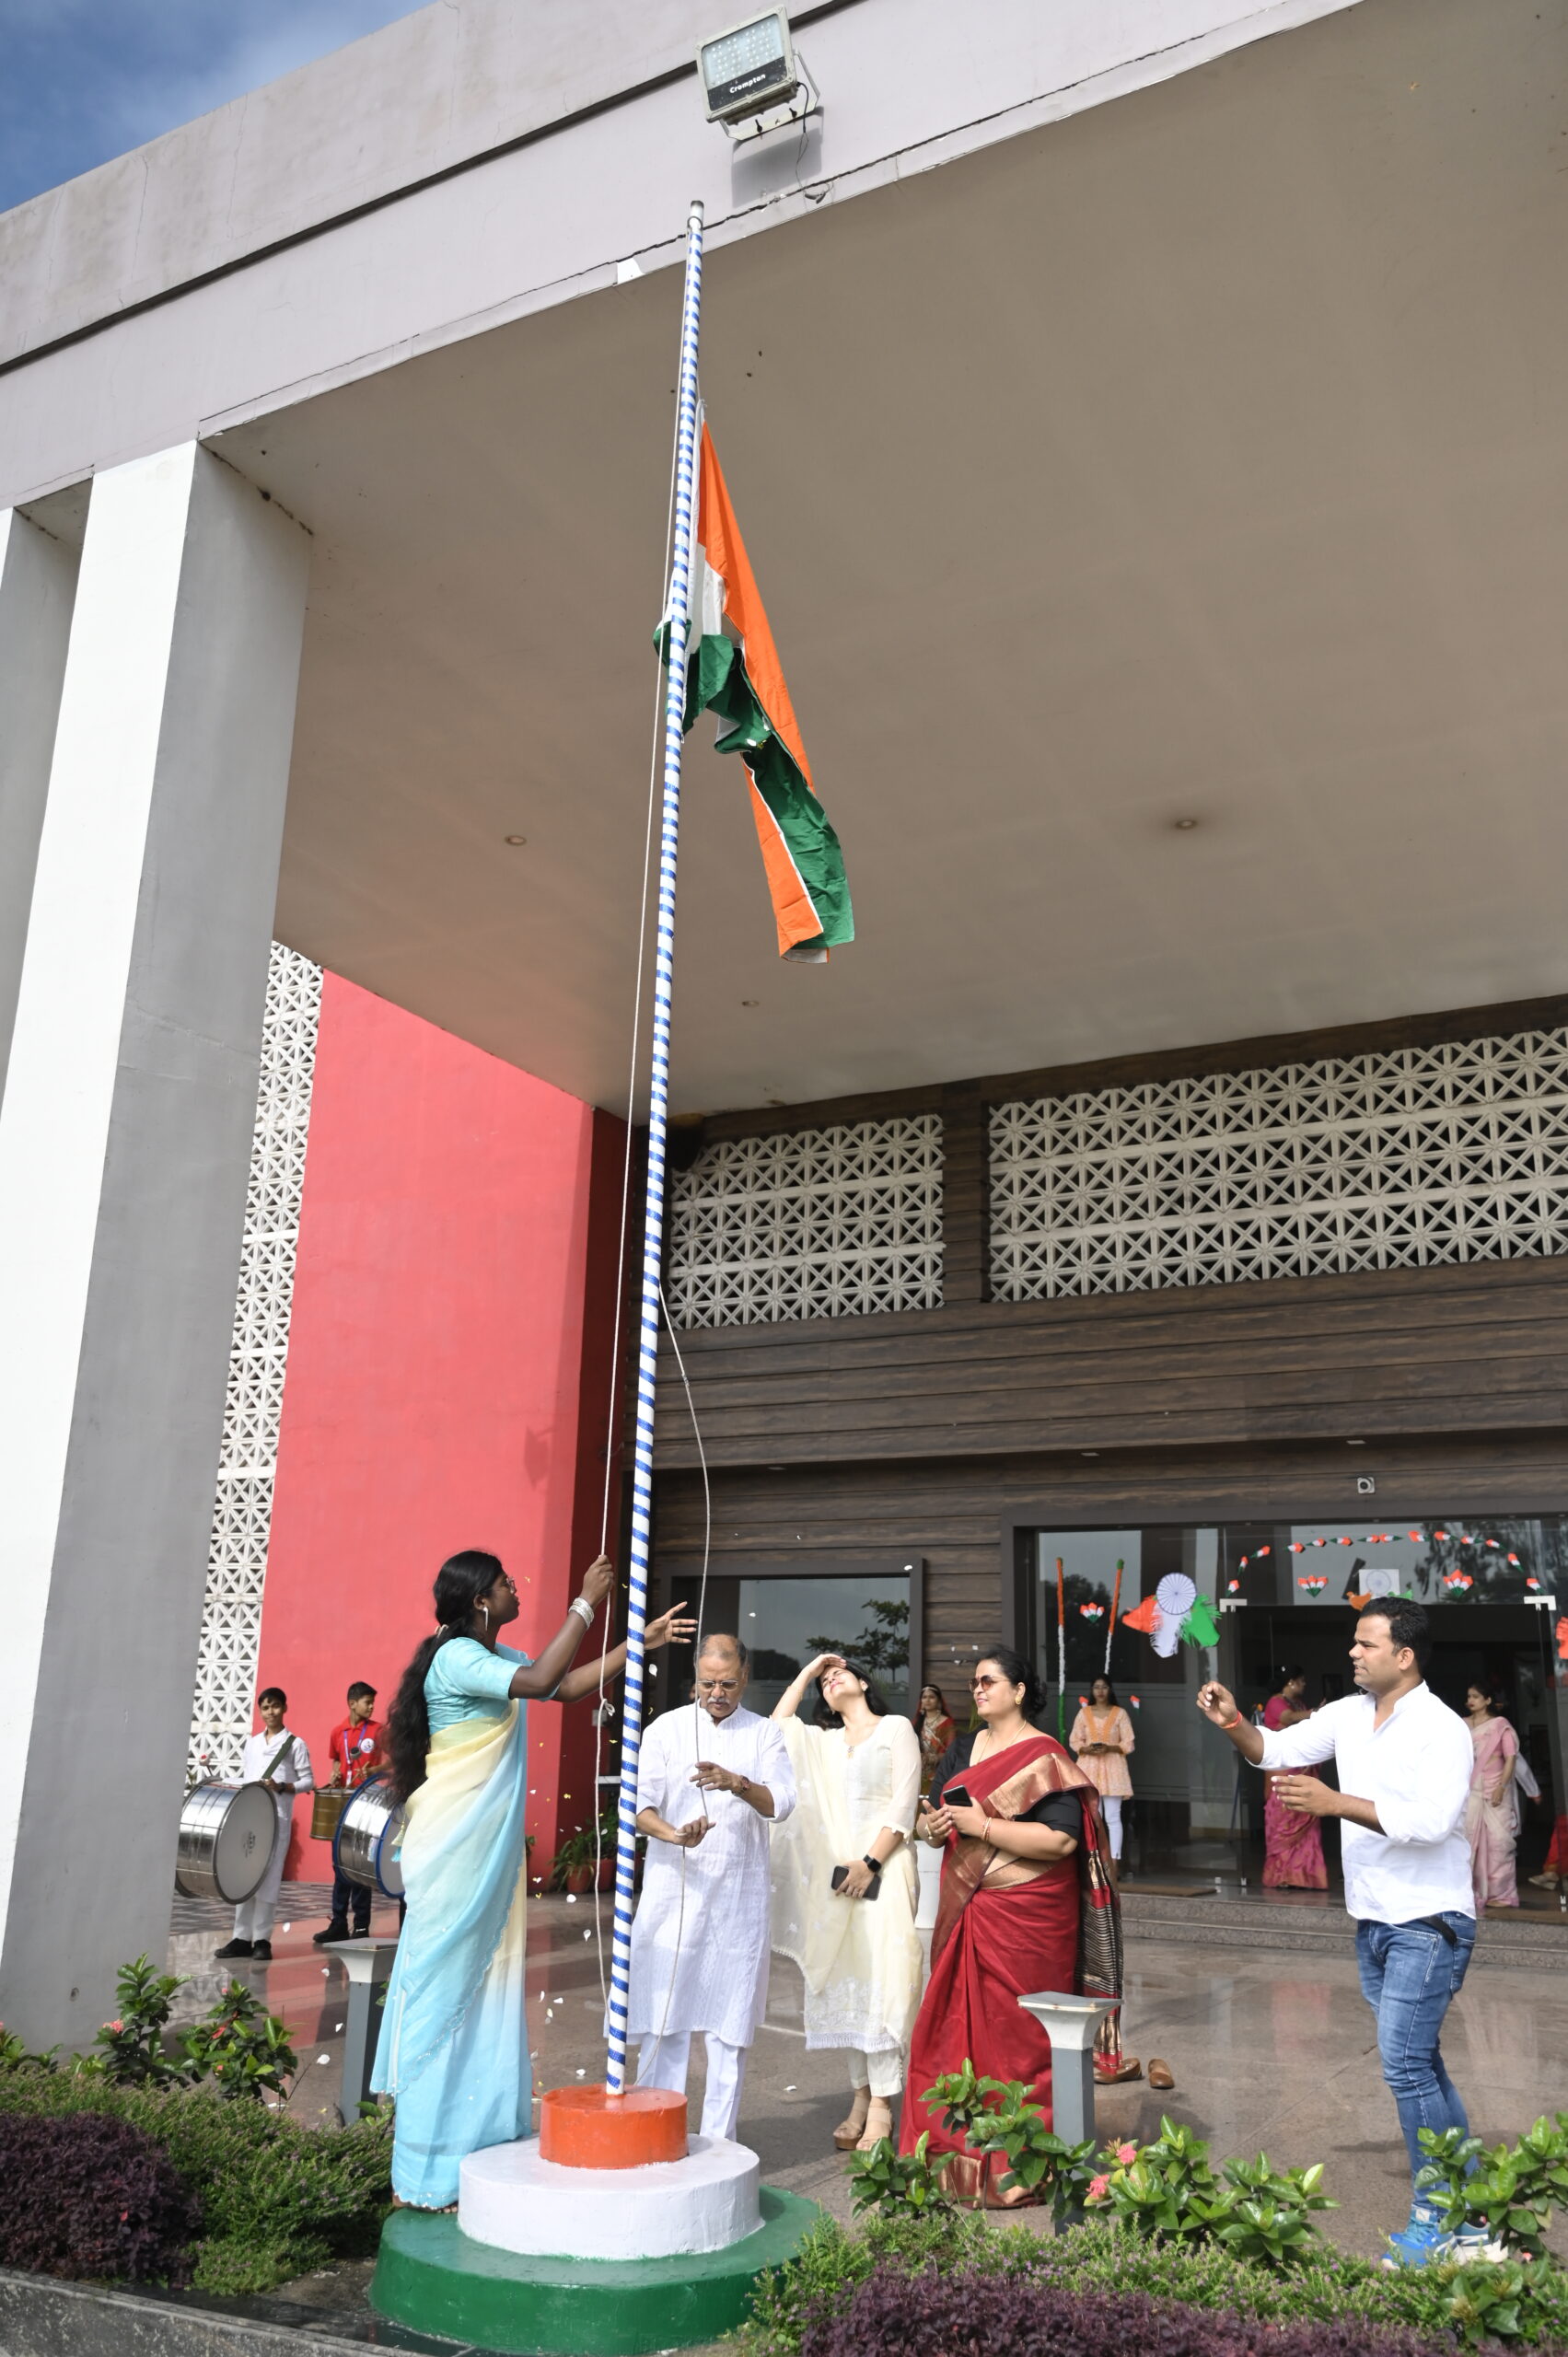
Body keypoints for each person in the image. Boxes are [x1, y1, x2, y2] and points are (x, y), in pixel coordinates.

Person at [372, 1548, 692, 2210]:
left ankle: (477, 2143)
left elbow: (562, 1687)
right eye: (505, 1584)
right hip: (454, 1850)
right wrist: (586, 1603)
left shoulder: (496, 1658)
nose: (515, 1589)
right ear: (479, 1601)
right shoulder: (458, 1657)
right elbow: (546, 1674)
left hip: (483, 1852)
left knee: (483, 1988)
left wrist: (641, 1642)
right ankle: (423, 2169)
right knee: (442, 1995)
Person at [1197, 1601, 1480, 2268]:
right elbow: (1274, 1751)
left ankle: (1436, 2216)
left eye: (1365, 1643)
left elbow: (1433, 1821)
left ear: (1403, 1656)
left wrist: (1333, 1804)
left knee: (1405, 2065)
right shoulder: (1349, 1714)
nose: (1352, 1652)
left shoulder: (1441, 1727)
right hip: (1374, 1919)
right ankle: (1468, 2211)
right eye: (1354, 1642)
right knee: (1420, 2064)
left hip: (1428, 1921)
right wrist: (1234, 1722)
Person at [899, 1645, 1127, 2202]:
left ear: (1020, 1691)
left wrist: (982, 1826)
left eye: (989, 1681)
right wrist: (933, 1829)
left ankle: (1020, 2163)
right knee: (951, 2028)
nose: (978, 1690)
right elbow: (934, 1820)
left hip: (1027, 1922)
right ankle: (954, 2156)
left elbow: (1061, 1841)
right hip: (968, 1910)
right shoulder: (963, 1749)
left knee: (1019, 2039)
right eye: (974, 1683)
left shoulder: (1045, 1755)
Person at [628, 1634, 796, 2142]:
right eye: (707, 1684)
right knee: (666, 2018)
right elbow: (638, 1807)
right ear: (695, 1680)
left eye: (727, 1684)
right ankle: (656, 2133)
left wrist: (737, 1783)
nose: (717, 1694)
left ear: (745, 1677)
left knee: (729, 2022)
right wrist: (674, 1835)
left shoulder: (764, 1733)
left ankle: (720, 2143)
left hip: (738, 1900)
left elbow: (781, 1803)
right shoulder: (666, 1729)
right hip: (674, 1891)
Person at [770, 1653, 923, 2152]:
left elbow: (904, 1802)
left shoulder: (896, 1728)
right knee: (847, 1980)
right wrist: (808, 1671)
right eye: (825, 1680)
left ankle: (882, 2104)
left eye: (839, 1672)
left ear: (862, 1681)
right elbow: (778, 1726)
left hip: (886, 1866)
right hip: (838, 1878)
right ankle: (860, 2095)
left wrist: (870, 1863)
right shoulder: (825, 1742)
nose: (831, 1679)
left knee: (882, 1978)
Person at [215, 1687, 313, 1964]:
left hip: (277, 1819)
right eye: (266, 1708)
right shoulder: (253, 1744)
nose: (271, 1712)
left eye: (276, 1706)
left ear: (285, 1708)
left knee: (269, 1877)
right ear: (260, 1711)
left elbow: (308, 1781)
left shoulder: (295, 1744)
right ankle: (240, 1938)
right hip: (249, 1817)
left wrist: (282, 1786)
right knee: (245, 1873)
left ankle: (262, 1940)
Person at [314, 1681, 385, 1945]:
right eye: (368, 1702)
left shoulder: (378, 1731)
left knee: (360, 1864)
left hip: (366, 1805)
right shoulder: (338, 1732)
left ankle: (362, 1925)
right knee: (340, 1864)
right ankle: (338, 1923)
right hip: (343, 1804)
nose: (372, 1706)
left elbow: (394, 1758)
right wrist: (334, 1773)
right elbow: (336, 1760)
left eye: (373, 1702)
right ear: (352, 1703)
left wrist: (375, 1770)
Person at [1260, 1667, 1329, 1891]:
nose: (1304, 1685)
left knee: (1307, 1820)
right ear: (1290, 1682)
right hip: (1282, 1770)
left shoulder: (1298, 1703)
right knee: (1283, 1819)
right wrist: (1315, 1712)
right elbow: (1287, 1719)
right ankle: (1283, 1876)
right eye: (1301, 1681)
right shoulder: (1276, 1702)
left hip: (1302, 1768)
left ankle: (1306, 1877)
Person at [1067, 1676, 1134, 1868]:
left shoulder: (1120, 1714)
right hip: (1089, 1768)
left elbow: (1128, 1742)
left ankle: (1114, 1862)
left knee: (1113, 1818)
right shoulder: (1084, 1713)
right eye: (1096, 1687)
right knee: (1093, 1818)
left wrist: (1110, 1748)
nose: (1100, 1691)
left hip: (1113, 1769)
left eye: (1104, 1687)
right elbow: (1074, 1740)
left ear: (1110, 1689)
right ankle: (1095, 1860)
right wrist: (1086, 1749)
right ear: (1092, 1690)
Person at [1464, 1684, 1519, 1910]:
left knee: (1498, 1844)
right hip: (1470, 1791)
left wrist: (1501, 1787)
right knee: (1468, 1842)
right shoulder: (1461, 1725)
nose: (1470, 1700)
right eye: (1469, 1696)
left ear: (1487, 1700)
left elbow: (1511, 1758)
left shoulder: (1499, 1725)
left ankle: (1502, 1894)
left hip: (1495, 1791)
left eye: (1476, 1696)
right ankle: (1470, 1891)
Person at [913, 1683, 958, 1795]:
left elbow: (951, 1751)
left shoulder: (947, 1723)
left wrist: (935, 1758)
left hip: (939, 1771)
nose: (927, 1700)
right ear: (921, 1701)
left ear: (938, 1701)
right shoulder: (917, 1723)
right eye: (924, 1697)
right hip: (919, 1771)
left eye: (931, 1697)